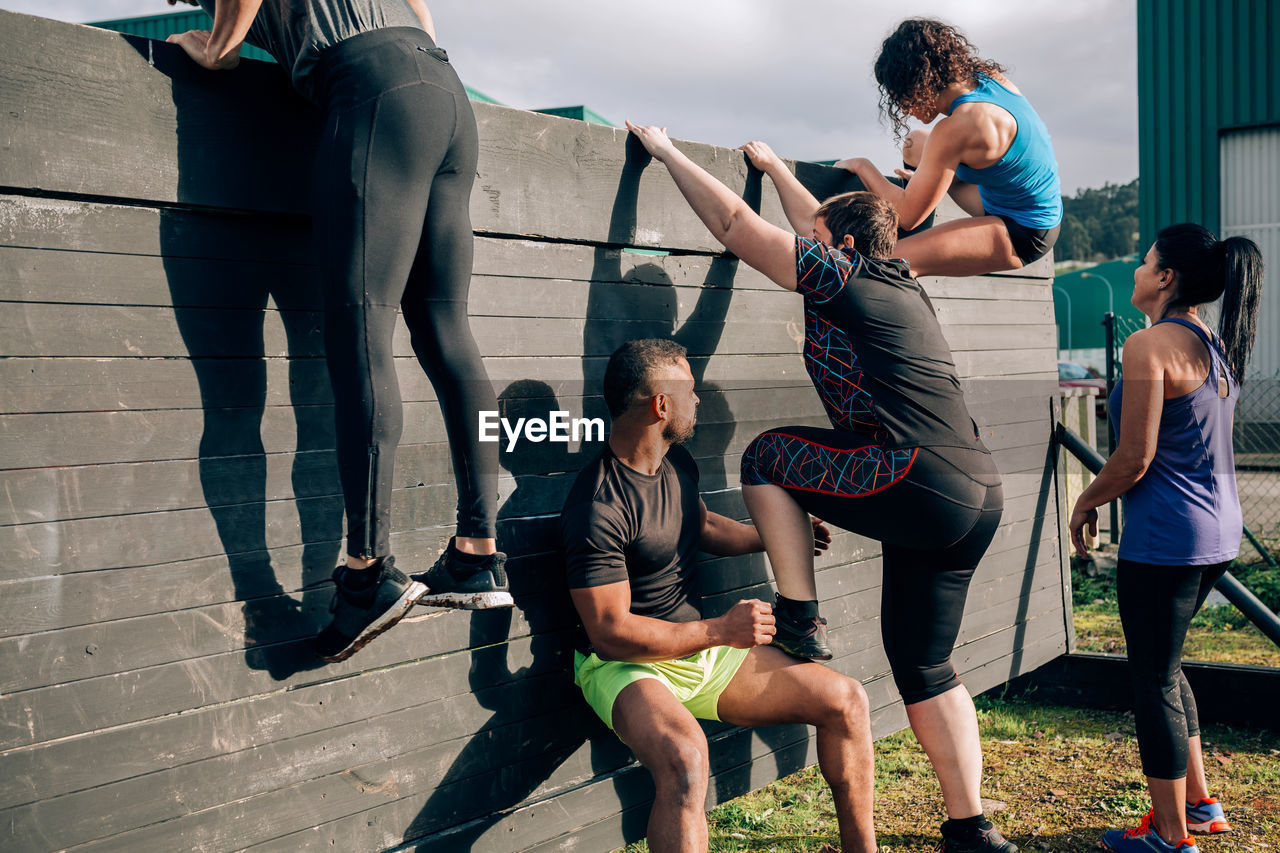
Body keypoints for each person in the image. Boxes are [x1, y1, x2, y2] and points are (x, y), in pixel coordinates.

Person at [626, 120, 1013, 853]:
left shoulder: (840, 273)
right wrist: (774, 167)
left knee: (767, 457)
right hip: (976, 492)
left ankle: (799, 615)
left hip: (916, 475)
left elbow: (738, 225)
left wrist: (668, 150)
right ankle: (971, 829)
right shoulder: (896, 277)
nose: (807, 242)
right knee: (925, 662)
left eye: (817, 237)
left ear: (833, 248)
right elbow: (820, 222)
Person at [164, 0, 512, 664]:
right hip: (440, 86)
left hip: (372, 87)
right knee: (446, 331)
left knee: (361, 328)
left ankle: (367, 571)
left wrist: (216, 50)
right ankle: (477, 554)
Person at [560, 339, 877, 853]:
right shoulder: (598, 505)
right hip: (624, 667)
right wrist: (719, 631)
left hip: (697, 651)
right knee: (686, 758)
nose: (698, 399)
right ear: (660, 405)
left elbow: (702, 524)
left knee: (846, 701)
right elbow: (610, 633)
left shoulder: (676, 463)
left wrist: (778, 536)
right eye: (688, 389)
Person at [1069, 224, 1262, 853]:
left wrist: (1084, 501)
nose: (1135, 272)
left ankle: (1171, 839)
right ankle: (1200, 806)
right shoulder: (1213, 338)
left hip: (1167, 540)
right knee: (1167, 667)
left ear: (1165, 277)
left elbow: (1134, 457)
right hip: (1217, 533)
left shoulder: (1150, 346)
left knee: (1151, 681)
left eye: (1144, 262)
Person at [833, 18, 1062, 278]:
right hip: (1000, 195)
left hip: (1024, 231)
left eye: (903, 98)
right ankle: (918, 222)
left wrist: (862, 166)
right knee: (915, 142)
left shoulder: (958, 128)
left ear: (919, 83)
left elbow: (907, 215)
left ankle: (910, 259)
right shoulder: (988, 79)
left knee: (883, 264)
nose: (905, 110)